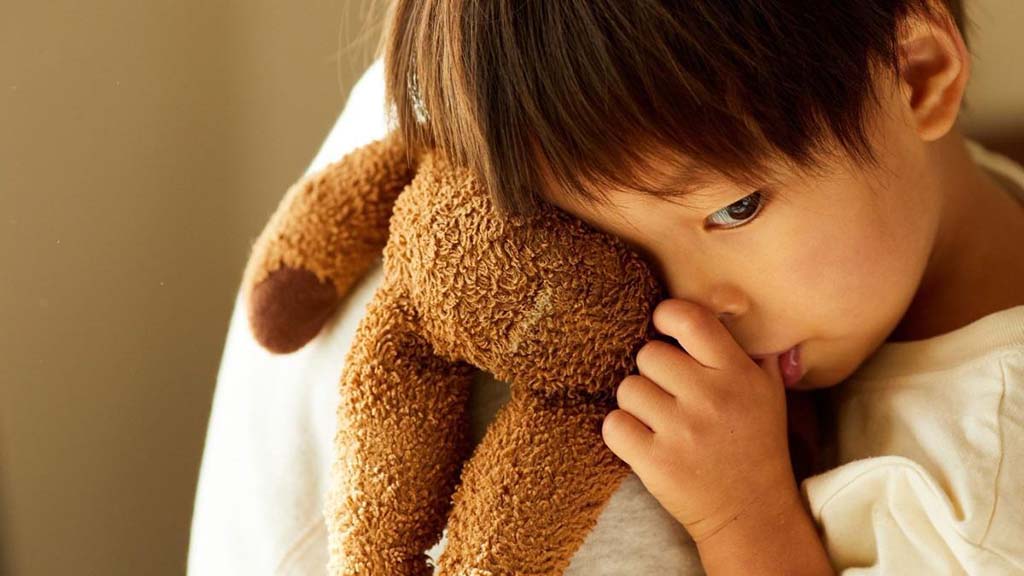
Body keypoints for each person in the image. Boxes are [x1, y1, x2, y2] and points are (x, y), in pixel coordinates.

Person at [189, 2, 1024, 575]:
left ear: (916, 74)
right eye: (619, 246)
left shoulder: (988, 489)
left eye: (734, 209)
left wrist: (746, 519)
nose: (685, 309)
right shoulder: (931, 225)